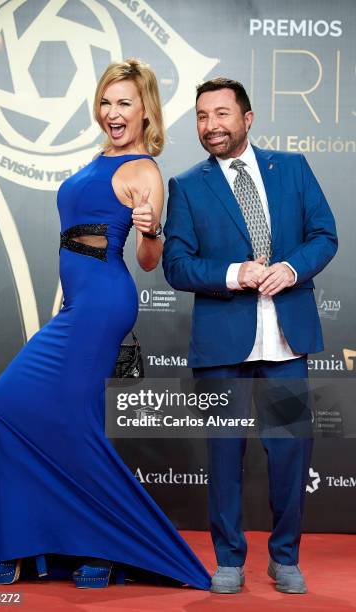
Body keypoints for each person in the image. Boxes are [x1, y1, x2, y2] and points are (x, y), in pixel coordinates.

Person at [0, 59, 211, 591]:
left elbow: (147, 260)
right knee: (44, 414)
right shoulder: (99, 157)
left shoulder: (144, 170)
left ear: (145, 112)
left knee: (27, 408)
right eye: (105, 102)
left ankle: (105, 544)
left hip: (103, 304)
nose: (112, 113)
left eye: (124, 103)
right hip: (79, 305)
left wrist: (151, 228)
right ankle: (51, 543)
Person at [163, 77, 337, 595]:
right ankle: (229, 558)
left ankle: (284, 557)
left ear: (247, 117)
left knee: (289, 455)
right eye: (201, 116)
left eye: (221, 114)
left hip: (286, 344)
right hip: (222, 348)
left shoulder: (293, 169)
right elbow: (176, 265)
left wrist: (290, 267)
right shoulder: (188, 186)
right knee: (224, 455)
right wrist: (234, 273)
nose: (210, 126)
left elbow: (324, 235)